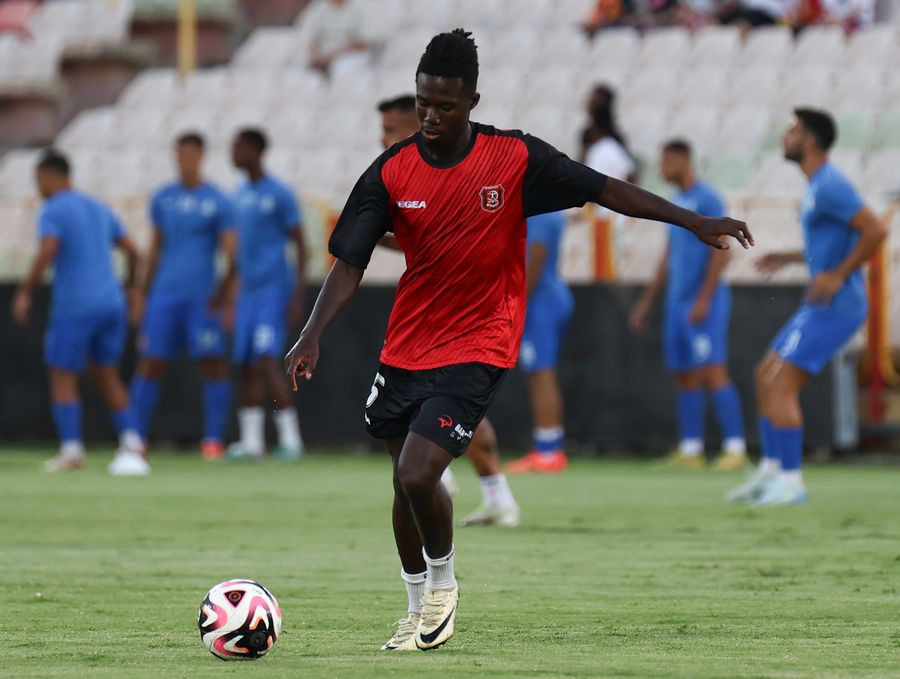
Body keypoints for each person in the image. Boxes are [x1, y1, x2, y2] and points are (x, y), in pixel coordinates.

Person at [284, 29, 752, 652]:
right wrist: (311, 335)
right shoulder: (392, 171)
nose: (430, 116)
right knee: (404, 482)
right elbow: (349, 262)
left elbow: (605, 188)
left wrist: (691, 220)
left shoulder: (513, 158)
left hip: (481, 340)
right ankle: (414, 608)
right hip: (408, 343)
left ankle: (444, 588)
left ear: (472, 101)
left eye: (444, 105)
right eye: (423, 103)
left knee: (420, 474)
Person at [728, 109, 886, 506]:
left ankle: (791, 482)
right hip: (821, 302)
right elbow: (833, 242)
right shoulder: (817, 185)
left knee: (781, 382)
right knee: (765, 375)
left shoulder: (830, 184)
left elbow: (876, 230)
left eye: (793, 130)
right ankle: (770, 472)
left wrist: (837, 274)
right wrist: (790, 257)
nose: (785, 137)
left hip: (837, 304)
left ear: (810, 140)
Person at [376, 94, 520, 525]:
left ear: (415, 126)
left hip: (471, 312)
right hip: (435, 311)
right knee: (458, 407)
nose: (382, 139)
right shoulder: (401, 171)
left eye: (389, 130)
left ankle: (444, 475)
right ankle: (496, 495)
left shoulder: (451, 171)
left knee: (440, 401)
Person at [11, 150, 149, 476]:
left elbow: (48, 248)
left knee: (62, 374)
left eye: (39, 181)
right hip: (111, 302)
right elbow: (133, 251)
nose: (38, 188)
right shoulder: (98, 207)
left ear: (50, 176)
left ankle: (72, 450)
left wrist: (26, 291)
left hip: (75, 304)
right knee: (107, 373)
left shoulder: (54, 209)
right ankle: (132, 441)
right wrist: (131, 288)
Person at [629, 140, 747, 470]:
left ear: (683, 160)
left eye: (666, 161)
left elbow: (723, 253)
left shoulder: (707, 198)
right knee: (684, 373)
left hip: (703, 302)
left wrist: (704, 298)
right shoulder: (677, 202)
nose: (662, 168)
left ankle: (736, 448)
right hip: (676, 304)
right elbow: (667, 257)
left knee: (712, 371)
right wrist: (647, 302)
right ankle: (691, 449)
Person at [129, 133, 235, 460]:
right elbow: (155, 247)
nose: (184, 161)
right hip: (164, 295)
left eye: (190, 154)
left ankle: (213, 440)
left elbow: (231, 251)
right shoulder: (163, 197)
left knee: (212, 362)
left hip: (202, 297)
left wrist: (226, 296)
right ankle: (135, 438)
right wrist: (142, 294)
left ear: (201, 156)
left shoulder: (217, 200)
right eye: (179, 155)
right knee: (151, 362)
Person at [225, 128, 306, 461]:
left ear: (255, 151)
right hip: (248, 293)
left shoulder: (279, 194)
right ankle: (252, 442)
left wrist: (298, 293)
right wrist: (227, 293)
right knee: (245, 364)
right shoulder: (239, 195)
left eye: (238, 147)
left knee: (266, 360)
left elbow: (300, 244)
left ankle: (291, 439)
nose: (233, 153)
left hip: (273, 289)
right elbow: (238, 251)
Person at [505, 210, 575, 475]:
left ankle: (549, 451)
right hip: (544, 297)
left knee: (541, 372)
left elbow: (537, 254)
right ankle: (546, 446)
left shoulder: (542, 212)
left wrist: (518, 299)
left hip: (541, 301)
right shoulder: (548, 210)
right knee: (537, 372)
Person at [305, 0, 370, 78]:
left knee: (340, 70)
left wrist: (334, 56)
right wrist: (316, 56)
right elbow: (313, 39)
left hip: (346, 56)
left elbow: (361, 43)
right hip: (323, 56)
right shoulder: (320, 9)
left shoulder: (356, 10)